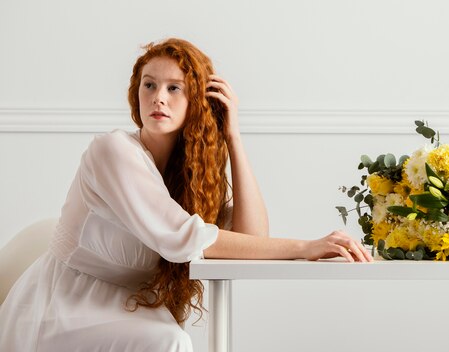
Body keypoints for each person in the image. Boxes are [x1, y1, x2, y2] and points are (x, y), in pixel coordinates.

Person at [0, 38, 372, 352]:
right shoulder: (112, 151)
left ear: (196, 100)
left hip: (131, 308)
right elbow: (183, 239)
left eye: (174, 88)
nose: (158, 98)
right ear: (136, 93)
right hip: (62, 308)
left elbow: (252, 238)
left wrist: (234, 138)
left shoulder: (189, 176)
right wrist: (305, 246)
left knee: (169, 338)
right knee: (169, 341)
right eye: (149, 85)